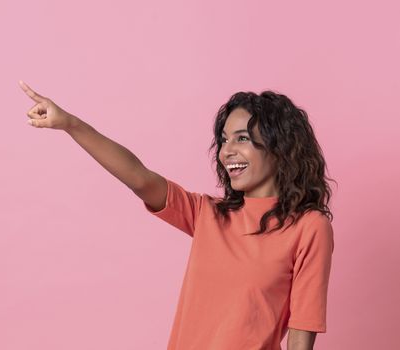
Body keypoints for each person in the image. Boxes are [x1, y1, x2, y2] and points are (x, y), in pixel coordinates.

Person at [19, 80, 335, 350]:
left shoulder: (309, 227)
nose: (227, 151)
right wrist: (71, 124)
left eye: (242, 138)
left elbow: (301, 330)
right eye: (224, 140)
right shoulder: (208, 214)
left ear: (279, 146)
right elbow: (139, 178)